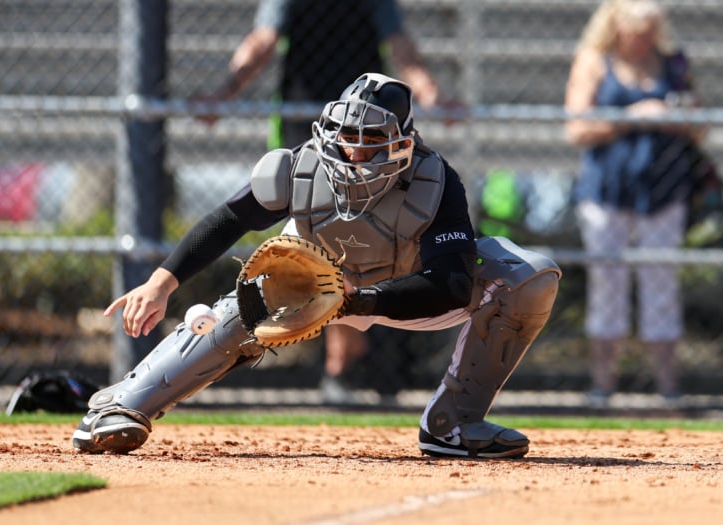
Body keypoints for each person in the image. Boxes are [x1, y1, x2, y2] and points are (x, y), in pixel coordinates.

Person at [72, 73, 561, 458]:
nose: (354, 151)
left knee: (528, 275)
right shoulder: (299, 168)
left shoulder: (434, 181)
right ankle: (121, 407)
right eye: (347, 136)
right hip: (310, 279)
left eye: (370, 140)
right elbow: (228, 220)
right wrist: (161, 283)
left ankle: (453, 425)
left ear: (403, 143)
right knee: (241, 309)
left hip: (406, 285)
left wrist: (356, 301)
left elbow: (451, 285)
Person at [206, 0, 442, 402]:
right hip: (308, 127)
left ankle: (351, 365)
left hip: (371, 136)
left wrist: (432, 94)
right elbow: (263, 40)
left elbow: (399, 45)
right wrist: (224, 91)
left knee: (367, 241)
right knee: (326, 245)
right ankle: (341, 366)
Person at [564, 0, 702, 406]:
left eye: (650, 31)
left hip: (663, 189)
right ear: (616, 27)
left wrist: (676, 115)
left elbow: (700, 126)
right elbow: (576, 129)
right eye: (636, 31)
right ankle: (602, 387)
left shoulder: (673, 64)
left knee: (661, 284)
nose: (644, 40)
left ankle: (668, 389)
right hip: (608, 190)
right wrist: (633, 116)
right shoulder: (595, 60)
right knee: (608, 284)